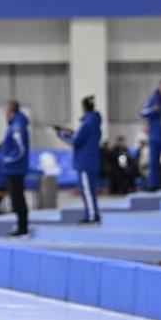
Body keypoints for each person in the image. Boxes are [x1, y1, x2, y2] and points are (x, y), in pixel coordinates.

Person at [55, 95, 102, 224]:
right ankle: (92, 214)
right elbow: (82, 137)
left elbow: (76, 141)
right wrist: (71, 132)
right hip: (90, 160)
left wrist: (61, 135)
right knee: (89, 190)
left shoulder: (87, 123)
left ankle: (92, 216)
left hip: (85, 162)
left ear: (84, 107)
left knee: (87, 190)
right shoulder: (94, 121)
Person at [0, 100, 30, 236]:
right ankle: (21, 225)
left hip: (15, 169)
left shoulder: (17, 125)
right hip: (13, 168)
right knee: (16, 198)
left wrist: (7, 159)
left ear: (10, 110)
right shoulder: (14, 124)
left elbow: (20, 149)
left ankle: (22, 227)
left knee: (18, 198)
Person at [140, 78, 161, 190]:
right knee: (153, 162)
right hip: (155, 138)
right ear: (159, 87)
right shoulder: (152, 101)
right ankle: (152, 185)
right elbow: (142, 112)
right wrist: (154, 110)